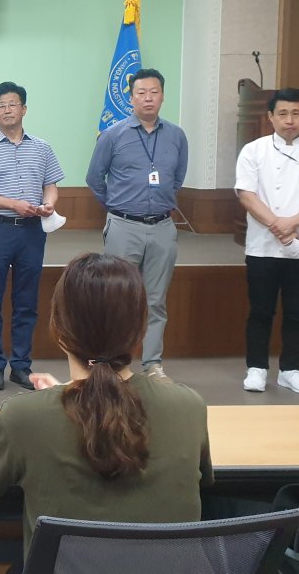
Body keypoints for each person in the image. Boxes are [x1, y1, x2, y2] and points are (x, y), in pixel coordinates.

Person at [0, 253, 214, 561]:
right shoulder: (189, 407)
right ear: (141, 332)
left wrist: (55, 398)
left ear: (58, 330)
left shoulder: (22, 417)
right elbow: (204, 482)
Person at [235, 88, 299, 395]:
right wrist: (277, 224)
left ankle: (292, 370)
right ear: (270, 117)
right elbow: (246, 195)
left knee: (298, 312)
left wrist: (291, 223)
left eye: (296, 113)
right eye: (282, 113)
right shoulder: (253, 150)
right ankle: (256, 368)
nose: (289, 120)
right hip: (263, 246)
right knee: (260, 310)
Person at [85, 68, 188, 380]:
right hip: (123, 226)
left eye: (154, 92)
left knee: (155, 300)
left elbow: (177, 178)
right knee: (117, 297)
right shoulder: (113, 135)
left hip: (162, 227)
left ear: (163, 96)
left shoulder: (176, 136)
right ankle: (113, 362)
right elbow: (94, 178)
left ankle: (152, 363)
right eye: (141, 93)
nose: (148, 98)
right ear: (131, 98)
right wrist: (118, 206)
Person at [0, 82, 64, 392]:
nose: (7, 110)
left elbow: (51, 184)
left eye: (13, 104)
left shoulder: (42, 148)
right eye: (1, 106)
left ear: (24, 109)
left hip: (32, 232)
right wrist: (12, 204)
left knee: (27, 302)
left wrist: (49, 203)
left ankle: (21, 366)